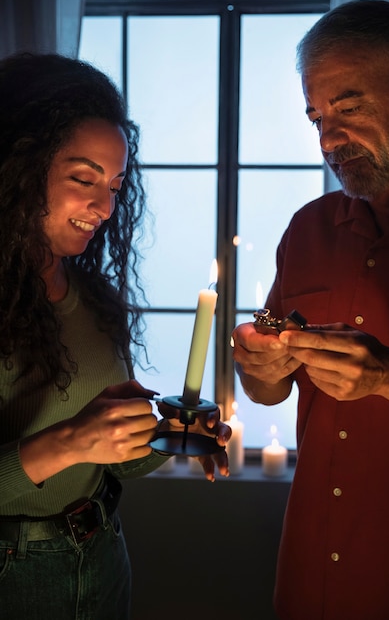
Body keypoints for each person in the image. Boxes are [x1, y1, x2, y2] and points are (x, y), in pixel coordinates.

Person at [0, 51, 230, 620]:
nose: (104, 206)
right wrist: (72, 439)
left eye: (116, 184)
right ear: (17, 166)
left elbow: (113, 463)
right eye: (84, 178)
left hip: (102, 554)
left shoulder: (93, 298)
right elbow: (74, 445)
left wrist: (167, 434)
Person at [231, 0, 389, 620]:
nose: (329, 137)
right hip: (310, 564)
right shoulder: (308, 229)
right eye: (316, 117)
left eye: (350, 107)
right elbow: (268, 392)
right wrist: (258, 369)